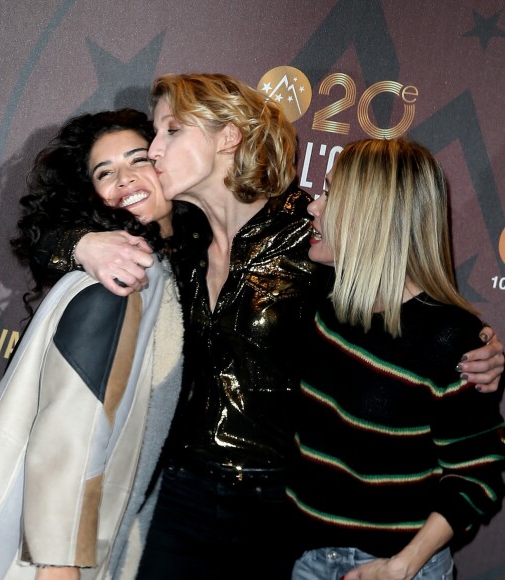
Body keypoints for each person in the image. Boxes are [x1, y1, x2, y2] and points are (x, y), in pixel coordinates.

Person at [32, 74, 504, 579]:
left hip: (280, 508)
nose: (154, 149)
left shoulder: (311, 231)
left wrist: (476, 346)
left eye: (170, 131)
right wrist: (83, 243)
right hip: (179, 491)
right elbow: (45, 233)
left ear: (228, 137)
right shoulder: (178, 237)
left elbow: (398, 294)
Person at [0, 109, 184, 580]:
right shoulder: (117, 278)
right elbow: (71, 428)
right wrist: (59, 562)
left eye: (138, 160)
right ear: (92, 194)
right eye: (105, 172)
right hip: (35, 555)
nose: (124, 179)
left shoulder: (160, 272)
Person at [288, 138, 505, 580]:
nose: (313, 206)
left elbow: (476, 476)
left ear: (373, 216)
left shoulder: (451, 340)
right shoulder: (321, 296)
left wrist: (401, 567)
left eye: (331, 195)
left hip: (394, 567)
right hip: (303, 554)